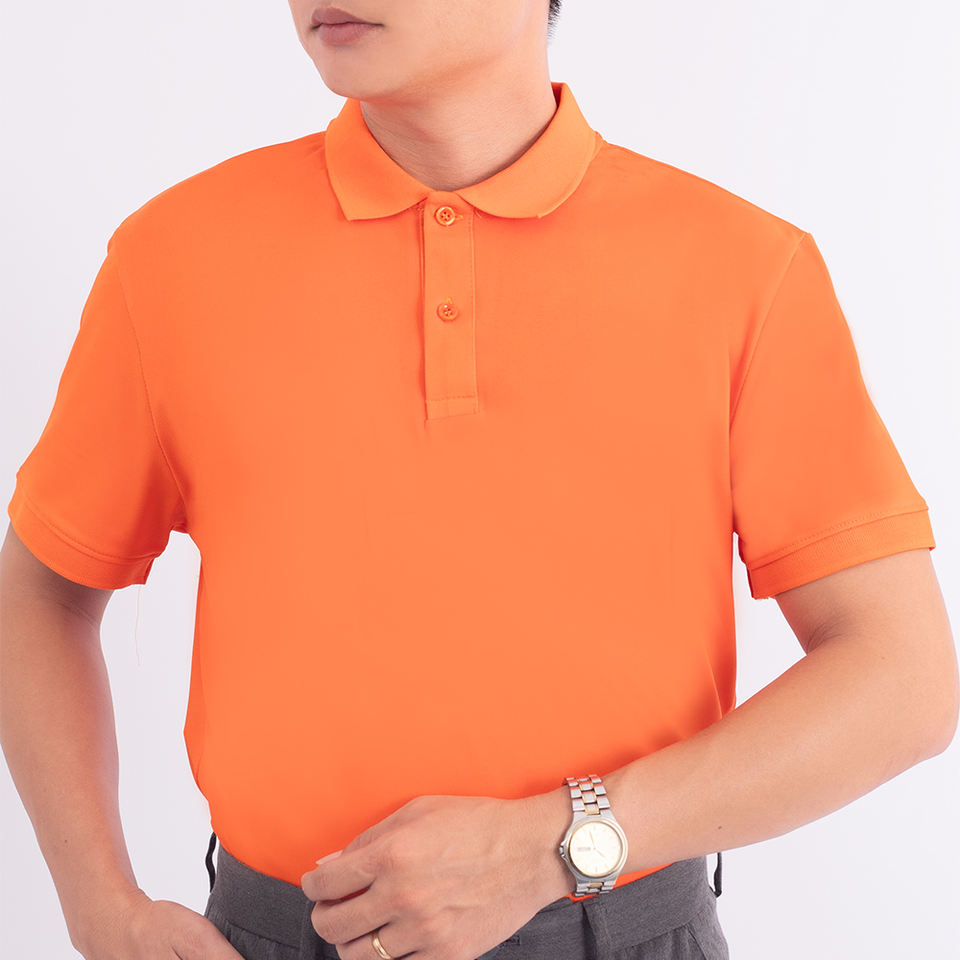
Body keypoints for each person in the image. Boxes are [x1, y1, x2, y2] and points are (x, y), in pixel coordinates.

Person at [1, 1, 957, 959]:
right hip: (272, 937)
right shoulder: (175, 257)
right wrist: (99, 906)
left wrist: (554, 844)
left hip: (613, 932)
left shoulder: (742, 269)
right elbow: (42, 591)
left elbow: (903, 678)